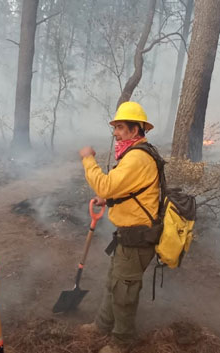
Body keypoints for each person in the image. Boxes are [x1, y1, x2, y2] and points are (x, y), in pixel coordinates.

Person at [78, 101, 160, 353]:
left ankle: (122, 342)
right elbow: (129, 190)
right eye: (116, 127)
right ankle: (103, 325)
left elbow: (104, 184)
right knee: (114, 282)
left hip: (137, 240)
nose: (116, 133)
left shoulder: (137, 158)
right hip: (128, 237)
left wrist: (88, 160)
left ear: (136, 130)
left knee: (124, 291)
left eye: (121, 127)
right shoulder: (137, 154)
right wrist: (109, 199)